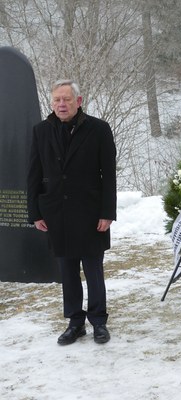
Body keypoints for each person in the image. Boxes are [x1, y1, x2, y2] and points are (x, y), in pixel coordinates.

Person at [27, 79, 117, 345]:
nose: (61, 104)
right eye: (57, 100)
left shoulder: (99, 129)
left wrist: (107, 212)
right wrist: (35, 212)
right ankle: (75, 322)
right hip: (57, 214)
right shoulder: (41, 131)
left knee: (93, 270)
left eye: (66, 99)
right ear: (52, 102)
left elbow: (108, 176)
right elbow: (34, 174)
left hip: (90, 214)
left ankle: (98, 321)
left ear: (78, 101)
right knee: (67, 272)